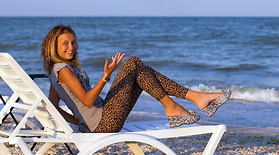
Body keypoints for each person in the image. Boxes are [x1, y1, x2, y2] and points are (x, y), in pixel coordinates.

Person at [40, 24, 231, 133]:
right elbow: (88, 101)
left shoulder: (55, 72)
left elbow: (53, 106)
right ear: (53, 47)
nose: (71, 47)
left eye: (73, 42)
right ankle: (186, 102)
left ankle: (189, 101)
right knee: (132, 62)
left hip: (99, 122)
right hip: (103, 122)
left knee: (140, 71)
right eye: (65, 43)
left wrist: (80, 123)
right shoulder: (62, 69)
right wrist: (106, 76)